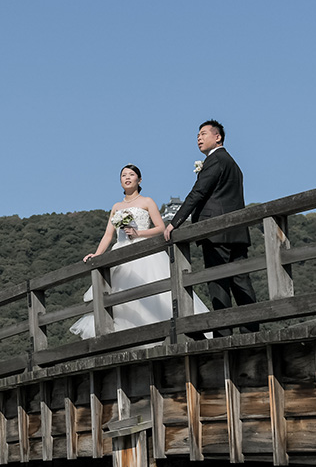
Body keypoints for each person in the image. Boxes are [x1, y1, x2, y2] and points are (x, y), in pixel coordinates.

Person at [70, 165, 209, 339]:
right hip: (120, 253)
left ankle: (165, 333)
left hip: (144, 251)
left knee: (154, 292)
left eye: (131, 174)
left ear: (139, 180)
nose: (127, 177)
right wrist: (97, 255)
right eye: (123, 175)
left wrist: (138, 234)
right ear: (120, 181)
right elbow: (108, 235)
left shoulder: (147, 201)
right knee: (120, 298)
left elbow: (160, 228)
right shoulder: (116, 206)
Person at [164, 120, 258, 333]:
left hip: (216, 232)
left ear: (218, 137)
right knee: (241, 281)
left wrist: (174, 222)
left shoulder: (215, 160)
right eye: (198, 134)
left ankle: (223, 334)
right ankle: (251, 330)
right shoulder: (233, 164)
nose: (199, 138)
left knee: (218, 283)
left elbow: (198, 192)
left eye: (204, 133)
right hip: (237, 231)